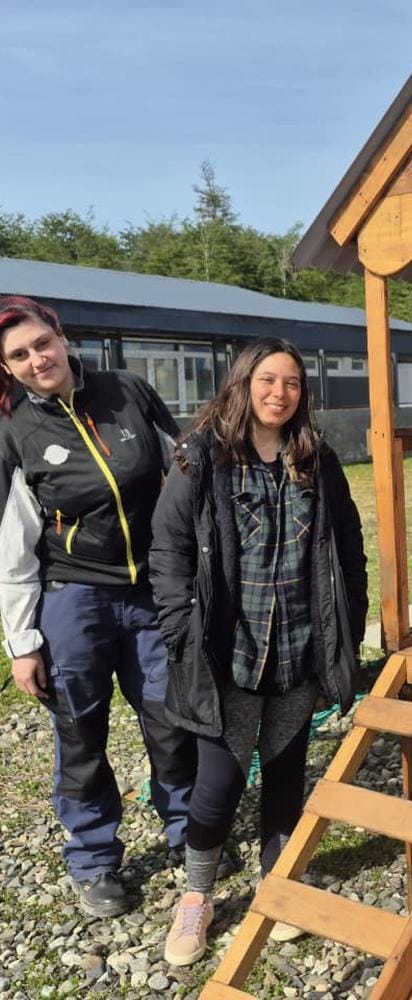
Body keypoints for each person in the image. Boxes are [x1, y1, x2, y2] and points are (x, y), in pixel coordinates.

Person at [149, 338, 367, 966]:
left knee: (286, 774)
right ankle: (197, 896)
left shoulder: (315, 459)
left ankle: (280, 881)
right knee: (217, 784)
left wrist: (347, 625)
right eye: (268, 379)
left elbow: (348, 545)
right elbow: (169, 550)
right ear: (243, 383)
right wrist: (181, 630)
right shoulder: (201, 457)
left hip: (298, 649)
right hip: (229, 654)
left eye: (292, 383)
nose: (280, 393)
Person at [0, 295, 196, 918]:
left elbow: (184, 468)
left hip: (150, 591)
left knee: (171, 717)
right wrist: (23, 642)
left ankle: (188, 829)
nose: (37, 360)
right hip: (73, 596)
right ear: (7, 368)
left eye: (42, 343)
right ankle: (93, 857)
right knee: (80, 730)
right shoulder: (14, 432)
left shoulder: (127, 391)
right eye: (19, 355)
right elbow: (13, 545)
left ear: (61, 337)